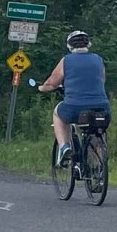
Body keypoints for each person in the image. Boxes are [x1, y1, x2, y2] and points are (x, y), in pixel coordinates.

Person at [37, 30, 110, 166]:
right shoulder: (98, 59)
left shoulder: (67, 60)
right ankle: (97, 169)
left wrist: (41, 88)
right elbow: (102, 80)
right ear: (88, 44)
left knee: (58, 114)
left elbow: (52, 83)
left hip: (74, 107)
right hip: (102, 107)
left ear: (69, 46)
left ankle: (65, 147)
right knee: (95, 129)